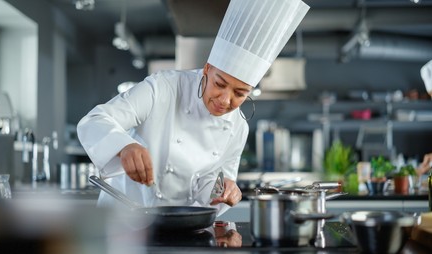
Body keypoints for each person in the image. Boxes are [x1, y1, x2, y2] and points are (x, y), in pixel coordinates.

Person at [77, 0, 310, 216]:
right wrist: (124, 147)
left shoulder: (238, 128)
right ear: (207, 69)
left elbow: (211, 184)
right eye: (220, 84)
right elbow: (96, 120)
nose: (225, 100)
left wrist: (224, 190)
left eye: (240, 93)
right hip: (126, 217)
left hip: (182, 226)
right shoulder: (163, 88)